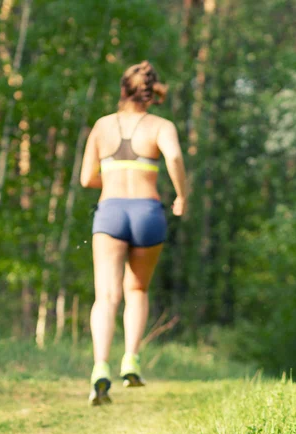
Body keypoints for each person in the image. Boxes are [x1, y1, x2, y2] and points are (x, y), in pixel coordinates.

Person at [80, 60, 187, 406]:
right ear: (152, 93)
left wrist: (111, 178)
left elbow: (86, 179)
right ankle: (131, 359)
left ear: (123, 89)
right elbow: (174, 159)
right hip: (147, 212)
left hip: (110, 212)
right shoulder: (161, 125)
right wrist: (182, 195)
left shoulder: (101, 126)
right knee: (137, 289)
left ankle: (100, 367)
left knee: (106, 296)